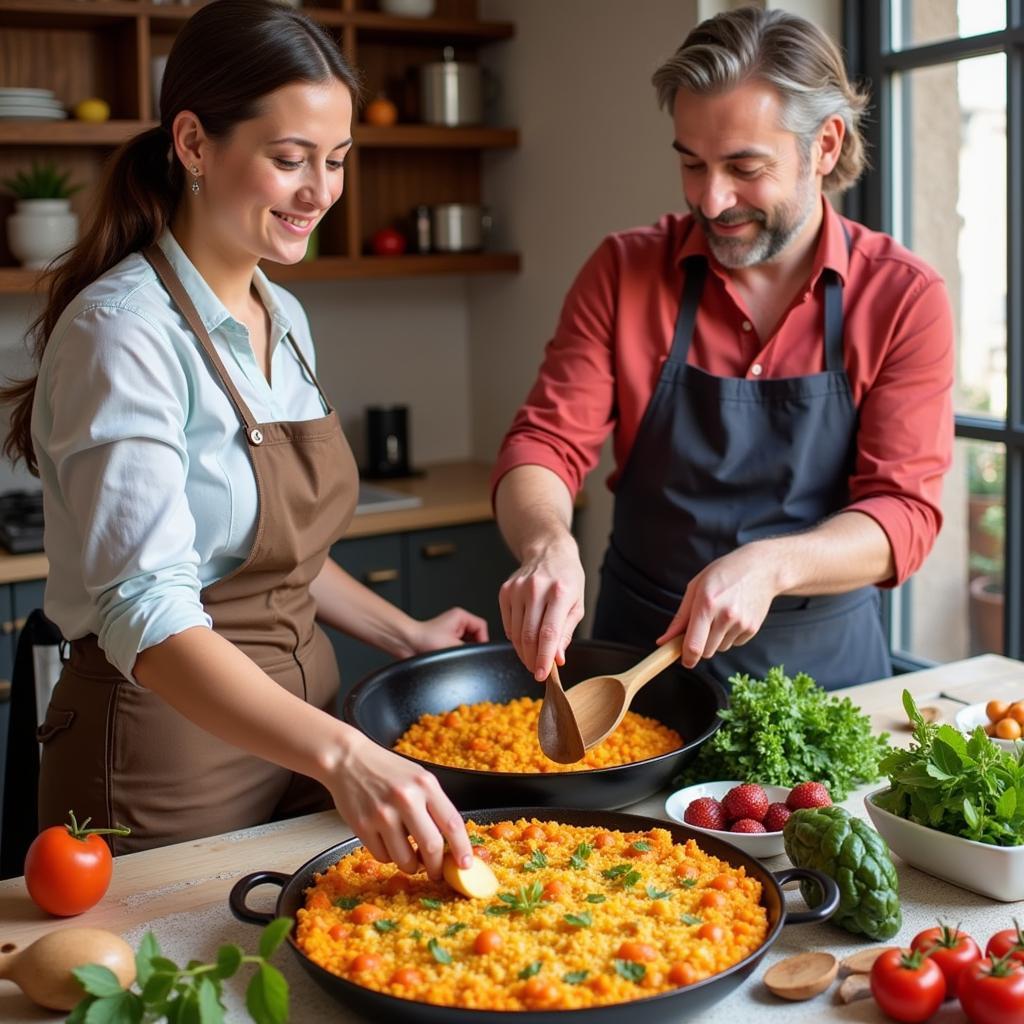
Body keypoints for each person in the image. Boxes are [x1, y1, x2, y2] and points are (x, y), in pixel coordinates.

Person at [0, 0, 485, 878]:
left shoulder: (281, 310)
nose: (320, 191)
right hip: (165, 764)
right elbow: (148, 614)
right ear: (193, 143)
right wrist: (345, 755)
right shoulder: (122, 333)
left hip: (307, 746)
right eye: (290, 159)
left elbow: (272, 555)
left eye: (335, 160)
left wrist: (406, 635)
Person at [493, 7, 953, 692]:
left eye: (744, 167)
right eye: (692, 163)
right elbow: (544, 444)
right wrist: (547, 544)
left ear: (824, 146)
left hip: (824, 681)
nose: (711, 200)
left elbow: (903, 513)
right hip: (640, 676)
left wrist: (773, 565)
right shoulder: (623, 271)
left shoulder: (903, 297)